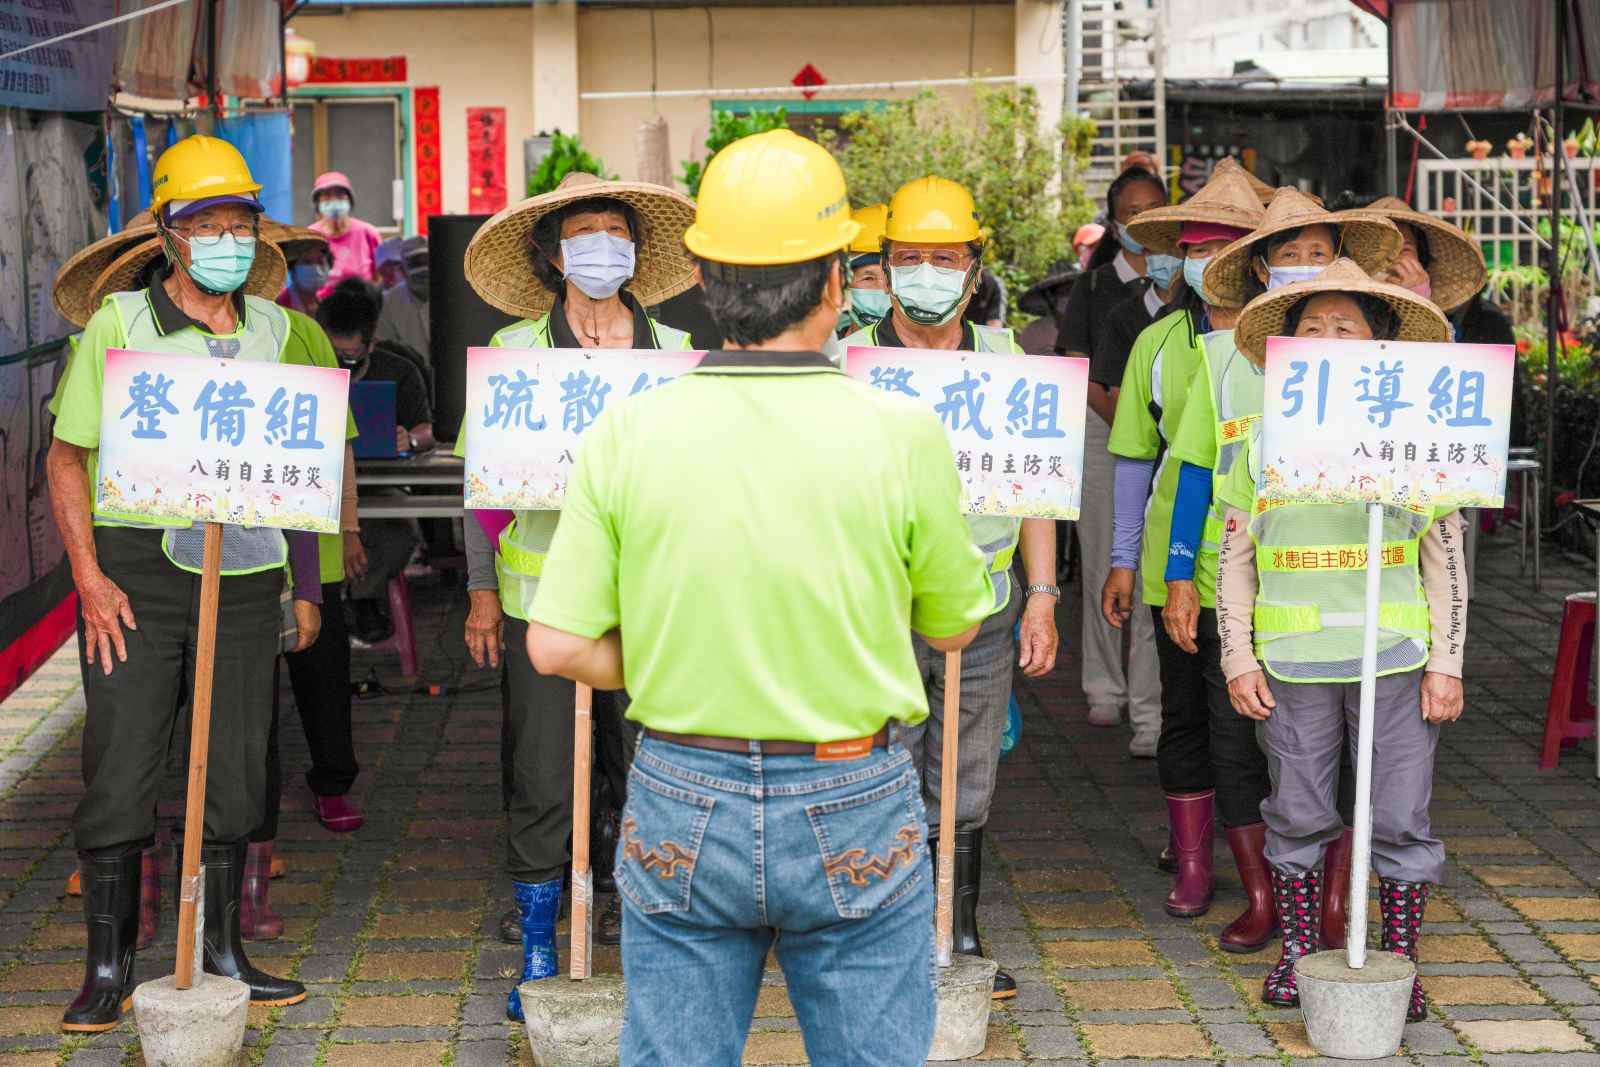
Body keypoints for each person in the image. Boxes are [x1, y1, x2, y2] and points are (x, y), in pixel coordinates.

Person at [526, 127, 993, 1067]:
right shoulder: (903, 433)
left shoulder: (627, 432)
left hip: (678, 790)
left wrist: (669, 655)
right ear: (835, 282)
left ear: (702, 279)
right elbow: (954, 623)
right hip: (854, 791)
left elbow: (557, 646)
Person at [45, 135, 312, 1030]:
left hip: (245, 571)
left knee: (237, 763)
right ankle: (109, 964)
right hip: (135, 576)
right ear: (169, 234)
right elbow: (66, 457)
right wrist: (87, 575)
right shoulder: (118, 328)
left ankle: (223, 948)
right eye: (208, 223)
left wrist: (307, 577)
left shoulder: (275, 329)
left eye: (240, 221)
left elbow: (306, 462)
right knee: (122, 760)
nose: (226, 238)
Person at [455, 171, 698, 1020]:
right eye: (584, 232)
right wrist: (482, 593)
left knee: (656, 772)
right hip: (541, 604)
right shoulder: (516, 353)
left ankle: (652, 936)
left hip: (655, 610)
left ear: (636, 252)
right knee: (543, 776)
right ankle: (538, 943)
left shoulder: (674, 356)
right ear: (553, 255)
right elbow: (482, 491)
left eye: (616, 231)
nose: (602, 247)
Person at [1215, 259, 1464, 1020]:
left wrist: (1448, 664)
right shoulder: (1253, 441)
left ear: (1379, 343)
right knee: (1296, 812)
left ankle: (1400, 968)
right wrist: (1237, 655)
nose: (1326, 339)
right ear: (1286, 346)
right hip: (1292, 665)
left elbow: (1445, 559)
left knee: (1397, 819)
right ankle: (1296, 956)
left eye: (1345, 326)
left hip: (1396, 660)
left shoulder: (1416, 438)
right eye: (1311, 327)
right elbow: (1235, 556)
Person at [840, 174, 1059, 999]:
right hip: (877, 603)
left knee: (965, 770)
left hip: (984, 600)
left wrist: (1042, 596)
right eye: (909, 257)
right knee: (881, 758)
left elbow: (1037, 487)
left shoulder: (1009, 363)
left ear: (974, 269)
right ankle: (885, 927)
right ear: (885, 265)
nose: (926, 271)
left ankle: (957, 930)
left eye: (944, 256)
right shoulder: (852, 364)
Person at [1163, 191, 1401, 949]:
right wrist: (1174, 572)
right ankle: (1265, 899)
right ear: (1261, 268)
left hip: (1351, 608)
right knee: (1238, 741)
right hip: (1232, 579)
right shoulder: (1220, 359)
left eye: (1316, 253)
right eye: (1287, 257)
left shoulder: (1387, 381)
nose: (1302, 271)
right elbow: (1197, 474)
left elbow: (1437, 528)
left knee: (1343, 760)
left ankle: (1333, 908)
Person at [1098, 164, 1267, 930]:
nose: (1204, 260)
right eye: (1193, 246)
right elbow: (1136, 458)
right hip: (1179, 565)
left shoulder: (1287, 342)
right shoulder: (1159, 341)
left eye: (1224, 245)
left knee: (1253, 725)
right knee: (1186, 717)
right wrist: (1126, 559)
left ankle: (1268, 874)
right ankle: (1196, 864)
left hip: (1272, 568)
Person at [1055, 166, 1167, 746]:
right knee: (1105, 564)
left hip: (1170, 442)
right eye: (1132, 212)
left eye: (1154, 209)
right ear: (1114, 219)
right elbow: (1081, 372)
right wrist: (1130, 430)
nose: (1142, 222)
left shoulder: (1185, 290)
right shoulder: (1095, 290)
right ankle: (1104, 687)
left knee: (1154, 575)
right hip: (1105, 437)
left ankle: (1150, 707)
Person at [315, 279, 433, 645]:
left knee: (399, 536)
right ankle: (336, 603)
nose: (342, 366)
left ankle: (359, 598)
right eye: (333, 357)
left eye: (351, 358)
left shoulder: (399, 370)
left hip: (383, 482)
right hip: (320, 485)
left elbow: (430, 429)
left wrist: (410, 438)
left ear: (372, 343)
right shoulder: (306, 370)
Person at [309, 170, 382, 290]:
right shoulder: (310, 235)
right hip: (322, 306)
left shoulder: (368, 233)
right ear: (318, 203)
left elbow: (380, 277)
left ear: (349, 200)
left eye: (339, 195)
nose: (334, 201)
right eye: (327, 196)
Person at [375, 235, 433, 382]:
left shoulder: (455, 297)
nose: (422, 270)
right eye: (415, 263)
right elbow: (385, 354)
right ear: (402, 269)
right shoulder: (387, 303)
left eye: (427, 261)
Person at [838, 203, 889, 335]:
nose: (883, 288)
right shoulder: (826, 349)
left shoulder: (928, 354)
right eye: (868, 278)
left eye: (891, 278)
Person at [276, 241, 333, 316]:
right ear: (293, 269)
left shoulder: (329, 302)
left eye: (320, 261)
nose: (315, 267)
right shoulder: (279, 305)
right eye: (307, 262)